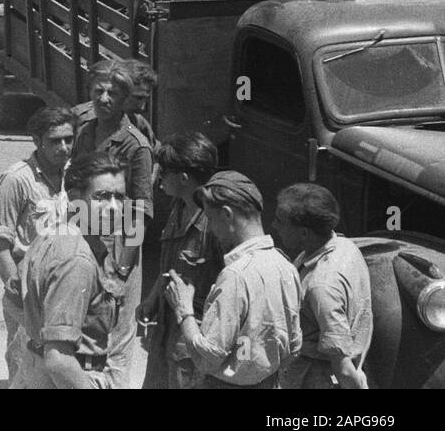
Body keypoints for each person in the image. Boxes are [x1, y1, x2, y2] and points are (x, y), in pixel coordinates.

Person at [164, 170, 303, 388]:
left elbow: (208, 358)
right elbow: (293, 347)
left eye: (210, 218)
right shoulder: (287, 267)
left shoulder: (235, 276)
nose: (209, 228)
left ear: (227, 214)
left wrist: (183, 310)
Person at [12, 150, 127, 389]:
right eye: (102, 196)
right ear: (75, 199)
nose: (114, 207)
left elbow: (11, 296)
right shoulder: (77, 259)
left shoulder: (52, 234)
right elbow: (60, 360)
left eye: (120, 197)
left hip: (35, 368)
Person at [71, 59, 152, 389]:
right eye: (98, 91)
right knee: (83, 329)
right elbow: (74, 187)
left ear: (125, 99)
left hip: (119, 249)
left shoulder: (136, 146)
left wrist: (119, 272)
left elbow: (140, 212)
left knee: (116, 342)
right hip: (84, 240)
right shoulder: (84, 132)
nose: (104, 99)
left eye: (113, 94)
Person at [0, 106, 73, 384]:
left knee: (58, 368)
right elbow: (0, 245)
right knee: (23, 366)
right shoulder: (16, 180)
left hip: (64, 289)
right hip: (28, 295)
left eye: (68, 139)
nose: (64, 147)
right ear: (37, 141)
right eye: (55, 141)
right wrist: (17, 289)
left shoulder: (74, 177)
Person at [138, 132, 223, 389]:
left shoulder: (214, 222)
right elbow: (170, 264)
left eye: (164, 171)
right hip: (165, 326)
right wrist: (152, 298)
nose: (159, 177)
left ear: (184, 178)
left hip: (193, 332)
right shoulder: (178, 206)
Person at [272, 183, 373, 389]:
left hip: (316, 378)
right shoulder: (344, 246)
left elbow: (343, 367)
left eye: (280, 221)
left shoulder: (322, 286)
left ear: (304, 234)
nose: (274, 225)